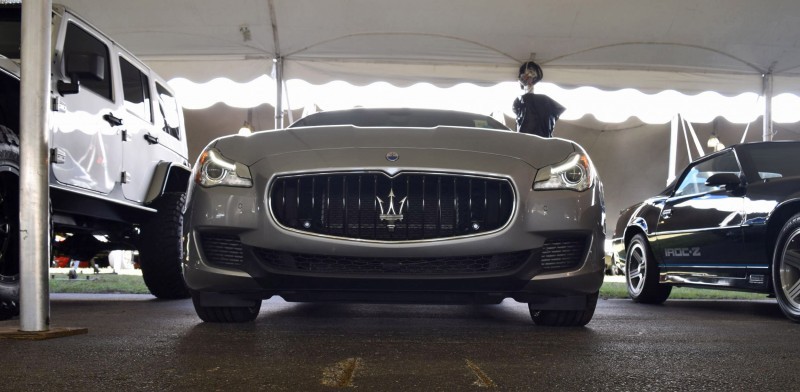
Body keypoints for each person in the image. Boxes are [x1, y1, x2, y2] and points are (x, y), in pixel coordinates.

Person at [512, 61, 565, 137]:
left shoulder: (536, 101)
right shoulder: (538, 101)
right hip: (536, 141)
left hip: (529, 141)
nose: (529, 79)